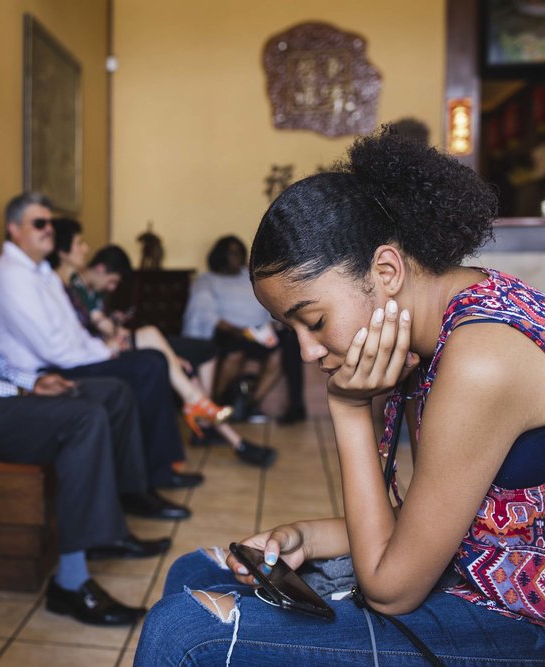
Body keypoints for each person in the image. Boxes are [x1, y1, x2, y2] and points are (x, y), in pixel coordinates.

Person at [136, 130, 545, 664]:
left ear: (386, 270)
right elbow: (438, 519)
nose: (307, 351)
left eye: (314, 321)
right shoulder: (444, 322)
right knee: (195, 570)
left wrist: (350, 410)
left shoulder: (481, 359)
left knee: (184, 634)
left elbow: (392, 589)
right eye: (293, 332)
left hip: (519, 618)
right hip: (472, 571)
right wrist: (307, 535)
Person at [0, 191, 188, 626]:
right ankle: (70, 583)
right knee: (83, 419)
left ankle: (108, 530)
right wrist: (19, 393)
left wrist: (31, 382)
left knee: (111, 394)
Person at [0, 193, 200, 491]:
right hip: (45, 376)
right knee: (148, 365)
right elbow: (55, 350)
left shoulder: (42, 273)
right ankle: (150, 476)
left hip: (68, 361)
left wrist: (104, 350)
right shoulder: (10, 276)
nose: (48, 229)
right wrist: (106, 353)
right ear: (14, 229)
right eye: (39, 223)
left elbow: (74, 333)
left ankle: (157, 469)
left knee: (151, 361)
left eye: (50, 224)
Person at [48, 220, 277, 468]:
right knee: (158, 345)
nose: (85, 247)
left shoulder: (73, 284)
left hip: (105, 346)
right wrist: (117, 333)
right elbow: (90, 333)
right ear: (63, 252)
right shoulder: (64, 285)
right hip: (96, 353)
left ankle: (209, 420)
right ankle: (218, 427)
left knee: (186, 358)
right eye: (79, 243)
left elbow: (96, 328)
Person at [183, 235, 307, 424]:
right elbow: (206, 314)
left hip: (259, 333)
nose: (238, 257)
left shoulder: (249, 277)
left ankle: (251, 404)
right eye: (232, 253)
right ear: (221, 255)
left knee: (286, 347)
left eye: (240, 253)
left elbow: (269, 302)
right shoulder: (208, 280)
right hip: (228, 334)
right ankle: (213, 403)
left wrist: (272, 325)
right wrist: (237, 331)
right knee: (235, 352)